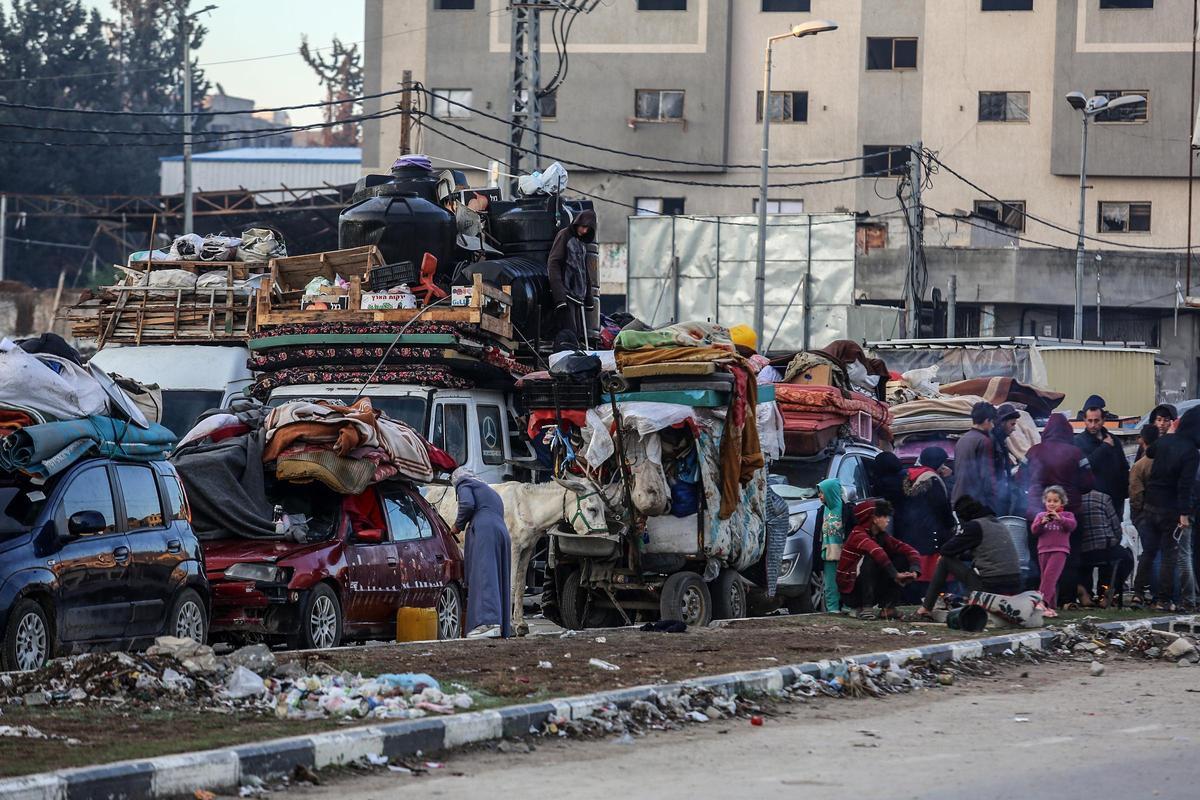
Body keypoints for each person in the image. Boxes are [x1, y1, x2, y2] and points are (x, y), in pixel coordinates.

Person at [1137, 405, 1200, 611]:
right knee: (1174, 556)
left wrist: (1170, 434)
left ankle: (1139, 593)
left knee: (1149, 552)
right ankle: (1172, 599)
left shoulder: (1164, 442)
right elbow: (1185, 484)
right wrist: (1184, 513)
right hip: (1173, 508)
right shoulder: (1191, 452)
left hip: (1152, 504)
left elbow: (1151, 450)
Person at [917, 495, 1021, 618]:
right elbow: (985, 553)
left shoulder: (974, 526)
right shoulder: (997, 523)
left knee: (944, 560)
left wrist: (957, 550)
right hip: (1014, 584)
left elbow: (946, 550)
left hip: (990, 588)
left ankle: (926, 608)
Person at [449, 467, 513, 638]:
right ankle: (499, 625)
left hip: (485, 531)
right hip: (500, 531)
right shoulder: (488, 491)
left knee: (485, 574)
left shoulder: (464, 483)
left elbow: (467, 504)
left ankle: (487, 623)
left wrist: (457, 526)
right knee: (497, 577)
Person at [837, 499, 921, 620]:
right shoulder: (857, 534)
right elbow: (877, 552)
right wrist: (895, 575)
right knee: (872, 558)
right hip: (852, 592)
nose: (888, 520)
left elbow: (909, 550)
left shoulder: (881, 536)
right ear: (875, 519)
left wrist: (914, 571)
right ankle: (866, 608)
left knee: (901, 557)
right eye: (885, 516)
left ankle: (888, 608)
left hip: (871, 586)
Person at [899, 447, 956, 581]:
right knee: (933, 574)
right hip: (932, 531)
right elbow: (942, 508)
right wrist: (951, 525)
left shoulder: (910, 476)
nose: (943, 467)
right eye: (942, 463)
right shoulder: (933, 480)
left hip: (911, 532)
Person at [1079, 488, 1135, 609]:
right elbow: (1115, 525)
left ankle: (1084, 591)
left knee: (1083, 567)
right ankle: (1108, 591)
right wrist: (1117, 538)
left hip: (1082, 550)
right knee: (1127, 559)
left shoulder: (1076, 498)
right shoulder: (1103, 498)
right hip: (1105, 548)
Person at [546, 209, 597, 341]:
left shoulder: (582, 243)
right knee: (570, 334)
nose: (584, 231)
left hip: (578, 298)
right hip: (566, 295)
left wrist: (589, 298)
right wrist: (559, 296)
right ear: (577, 223)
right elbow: (554, 263)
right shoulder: (564, 235)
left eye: (588, 229)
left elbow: (585, 272)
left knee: (578, 336)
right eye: (583, 226)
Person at [1074, 395, 1129, 512]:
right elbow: (1085, 466)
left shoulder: (1114, 440)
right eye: (1090, 421)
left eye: (1096, 420)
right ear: (1084, 420)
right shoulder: (1078, 441)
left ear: (1103, 420)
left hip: (1115, 501)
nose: (1093, 425)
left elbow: (1123, 468)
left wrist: (1124, 494)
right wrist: (1104, 448)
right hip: (1092, 503)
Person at [1031, 486, 1077, 617]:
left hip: (1059, 550)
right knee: (1046, 578)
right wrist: (1042, 523)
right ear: (1044, 501)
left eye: (1055, 501)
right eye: (1049, 500)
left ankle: (1042, 603)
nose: (1051, 504)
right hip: (1043, 550)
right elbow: (1034, 530)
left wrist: (1059, 518)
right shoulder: (1040, 516)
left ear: (1062, 502)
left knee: (1050, 577)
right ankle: (1050, 607)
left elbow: (1071, 526)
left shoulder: (1067, 515)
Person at [816, 478, 853, 614]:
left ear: (831, 492)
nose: (820, 496)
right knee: (830, 584)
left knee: (847, 580)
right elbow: (817, 535)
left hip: (845, 553)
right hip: (828, 553)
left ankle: (848, 606)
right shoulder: (822, 511)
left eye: (822, 493)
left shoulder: (847, 510)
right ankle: (832, 608)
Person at [952, 402, 998, 510]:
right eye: (992, 422)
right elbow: (987, 476)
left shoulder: (962, 440)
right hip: (975, 502)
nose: (993, 426)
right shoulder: (984, 441)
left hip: (958, 498)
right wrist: (993, 501)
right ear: (987, 420)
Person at [991, 403, 1021, 516]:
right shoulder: (992, 442)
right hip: (996, 497)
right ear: (1002, 422)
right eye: (1012, 424)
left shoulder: (1001, 441)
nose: (1014, 428)